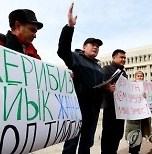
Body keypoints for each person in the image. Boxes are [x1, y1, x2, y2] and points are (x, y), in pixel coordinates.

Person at [57, 3, 104, 154]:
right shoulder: (76, 57)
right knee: (71, 144)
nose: (96, 47)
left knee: (87, 144)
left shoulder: (99, 67)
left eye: (98, 46)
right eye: (93, 45)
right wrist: (69, 27)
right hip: (77, 110)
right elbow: (62, 49)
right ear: (84, 47)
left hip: (93, 111)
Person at [101, 49, 128, 154]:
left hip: (121, 111)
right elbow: (100, 84)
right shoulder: (106, 69)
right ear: (114, 58)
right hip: (110, 109)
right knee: (108, 135)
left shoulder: (124, 73)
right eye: (121, 57)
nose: (123, 59)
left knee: (118, 134)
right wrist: (107, 88)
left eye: (125, 58)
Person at [125, 71, 152, 154]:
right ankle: (133, 151)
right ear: (135, 77)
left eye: (141, 76)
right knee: (134, 134)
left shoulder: (147, 87)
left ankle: (137, 150)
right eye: (138, 76)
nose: (140, 78)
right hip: (134, 116)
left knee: (143, 133)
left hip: (144, 115)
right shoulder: (131, 86)